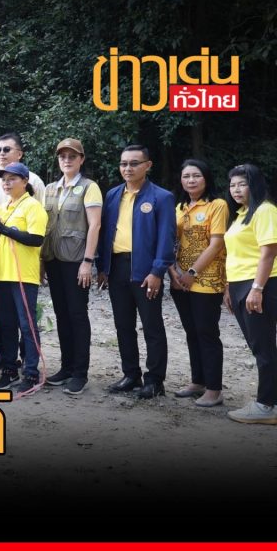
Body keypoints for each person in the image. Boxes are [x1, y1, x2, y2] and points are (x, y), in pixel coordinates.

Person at [96, 145, 176, 399]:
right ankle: (131, 374)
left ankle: (155, 381)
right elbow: (105, 233)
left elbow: (166, 238)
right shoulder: (113, 195)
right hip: (117, 267)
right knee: (123, 325)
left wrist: (157, 271)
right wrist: (103, 267)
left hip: (146, 269)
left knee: (152, 326)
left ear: (147, 165)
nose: (128, 168)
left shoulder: (161, 197)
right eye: (123, 164)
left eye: (134, 163)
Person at [41, 138, 103, 396]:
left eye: (72, 156)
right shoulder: (50, 189)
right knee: (61, 315)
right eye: (62, 156)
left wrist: (88, 262)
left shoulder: (89, 187)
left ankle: (80, 373)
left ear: (81, 159)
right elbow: (44, 226)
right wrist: (41, 261)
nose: (67, 160)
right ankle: (66, 368)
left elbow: (95, 225)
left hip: (77, 261)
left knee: (77, 315)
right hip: (53, 259)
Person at [167, 159, 228, 406]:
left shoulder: (217, 205)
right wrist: (173, 272)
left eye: (196, 176)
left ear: (206, 178)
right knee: (191, 332)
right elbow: (170, 242)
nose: (191, 180)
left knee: (207, 332)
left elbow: (217, 243)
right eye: (186, 176)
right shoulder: (179, 207)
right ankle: (198, 382)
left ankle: (214, 389)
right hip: (179, 280)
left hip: (207, 281)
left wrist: (192, 272)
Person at [224, 163, 277, 424]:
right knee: (259, 346)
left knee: (263, 347)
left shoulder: (265, 210)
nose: (236, 189)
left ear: (254, 184)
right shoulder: (241, 214)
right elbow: (237, 253)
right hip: (240, 283)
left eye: (242, 184)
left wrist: (257, 289)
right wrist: (228, 287)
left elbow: (269, 252)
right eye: (232, 185)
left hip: (259, 284)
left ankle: (267, 405)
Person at [0, 162, 48, 394]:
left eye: (12, 179)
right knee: (6, 325)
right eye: (4, 179)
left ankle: (31, 373)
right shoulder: (4, 206)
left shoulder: (33, 206)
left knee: (27, 325)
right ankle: (9, 369)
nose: (7, 183)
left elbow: (36, 239)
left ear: (25, 182)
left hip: (23, 275)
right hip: (2, 274)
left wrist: (4, 229)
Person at [0, 133, 46, 206]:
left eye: (6, 149)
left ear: (19, 154)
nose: (1, 153)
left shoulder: (34, 180)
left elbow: (44, 208)